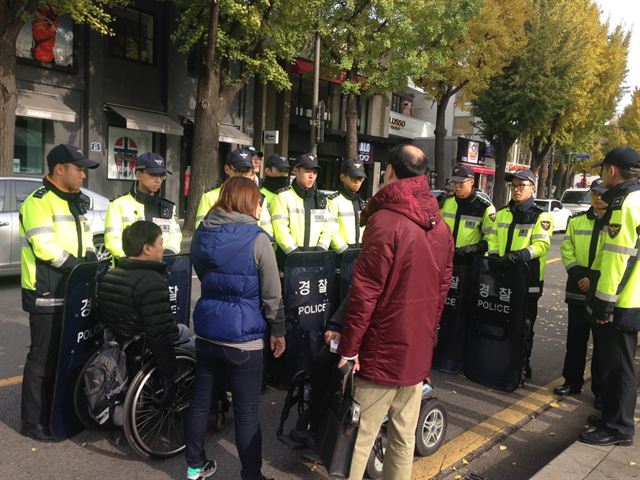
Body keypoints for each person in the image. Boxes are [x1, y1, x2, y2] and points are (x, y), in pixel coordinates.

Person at [335, 144, 453, 480]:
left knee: (359, 438)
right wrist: (427, 339)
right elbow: (442, 291)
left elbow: (365, 293)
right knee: (403, 438)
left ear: (388, 171)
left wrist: (349, 349)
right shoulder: (441, 226)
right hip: (415, 352)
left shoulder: (385, 221)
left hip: (380, 353)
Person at [185, 176, 286, 480]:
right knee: (246, 413)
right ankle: (251, 476)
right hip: (245, 339)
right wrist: (278, 330)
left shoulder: (202, 233)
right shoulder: (257, 239)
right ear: (248, 202)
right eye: (257, 200)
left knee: (201, 400)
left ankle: (195, 466)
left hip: (207, 329)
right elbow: (272, 294)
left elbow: (202, 273)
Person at [19, 144, 99, 441]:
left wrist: (91, 261)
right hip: (46, 291)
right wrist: (79, 267)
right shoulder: (38, 202)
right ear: (59, 169)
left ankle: (59, 413)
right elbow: (45, 247)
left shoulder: (75, 201)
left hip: (74, 291)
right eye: (79, 169)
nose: (83, 175)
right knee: (43, 359)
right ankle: (32, 422)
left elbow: (87, 239)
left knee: (68, 356)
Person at [581, 146, 640, 447]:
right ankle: (611, 418)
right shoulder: (636, 198)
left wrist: (604, 302)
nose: (603, 173)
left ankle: (619, 427)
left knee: (619, 365)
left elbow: (620, 257)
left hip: (622, 299)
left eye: (604, 168)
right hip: (631, 296)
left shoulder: (624, 203)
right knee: (619, 362)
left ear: (612, 170)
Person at [98, 220, 194, 401]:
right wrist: (168, 377)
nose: (163, 248)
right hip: (144, 344)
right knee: (194, 342)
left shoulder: (111, 275)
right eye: (161, 243)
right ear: (147, 249)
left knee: (183, 330)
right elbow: (160, 335)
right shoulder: (151, 282)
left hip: (123, 339)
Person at [486, 169, 553, 381]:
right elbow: (493, 239)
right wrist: (494, 255)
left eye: (521, 186)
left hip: (527, 279)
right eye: (513, 185)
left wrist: (519, 255)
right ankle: (501, 359)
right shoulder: (503, 213)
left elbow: (541, 245)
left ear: (532, 188)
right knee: (501, 320)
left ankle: (522, 364)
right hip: (503, 275)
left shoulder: (541, 215)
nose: (516, 189)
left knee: (524, 324)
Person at [555, 179, 607, 403]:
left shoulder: (617, 222)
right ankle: (571, 381)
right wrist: (579, 276)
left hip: (601, 291)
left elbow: (614, 257)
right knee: (575, 340)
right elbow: (567, 249)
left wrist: (593, 280)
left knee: (602, 345)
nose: (598, 198)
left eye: (602, 193)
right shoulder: (577, 221)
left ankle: (600, 391)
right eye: (594, 193)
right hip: (577, 287)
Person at [105, 152, 182, 260]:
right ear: (138, 175)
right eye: (153, 174)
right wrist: (136, 261)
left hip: (161, 271)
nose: (158, 180)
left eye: (161, 175)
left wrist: (166, 257)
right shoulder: (118, 205)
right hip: (128, 271)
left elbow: (175, 238)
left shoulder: (167, 207)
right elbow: (113, 241)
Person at [270, 153, 346, 260]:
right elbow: (280, 230)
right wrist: (295, 254)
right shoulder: (282, 196)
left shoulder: (321, 199)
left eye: (314, 172)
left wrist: (321, 250)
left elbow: (328, 228)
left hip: (316, 260)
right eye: (307, 171)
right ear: (295, 171)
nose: (311, 176)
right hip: (289, 260)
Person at [196, 148, 272, 236]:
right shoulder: (210, 196)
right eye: (239, 171)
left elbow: (267, 231)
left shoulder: (258, 197)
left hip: (250, 247)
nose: (243, 175)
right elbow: (201, 230)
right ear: (227, 169)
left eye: (247, 171)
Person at [440, 164, 495, 255]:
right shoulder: (446, 202)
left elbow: (491, 236)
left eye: (461, 183)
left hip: (471, 261)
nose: (457, 186)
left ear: (472, 182)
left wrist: (476, 248)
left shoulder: (484, 207)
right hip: (446, 256)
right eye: (454, 182)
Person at [327, 158, 367, 248]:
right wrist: (345, 250)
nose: (357, 182)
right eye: (353, 177)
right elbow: (331, 230)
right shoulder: (333, 201)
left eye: (360, 178)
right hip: (340, 254)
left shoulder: (362, 203)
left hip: (359, 253)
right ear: (342, 177)